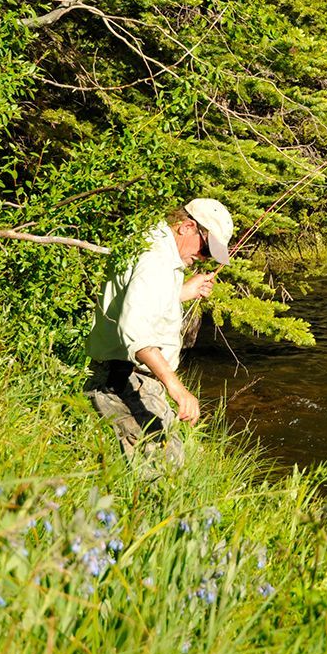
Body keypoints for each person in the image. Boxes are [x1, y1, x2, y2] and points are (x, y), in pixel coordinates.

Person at [83, 198, 234, 476]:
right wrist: (178, 389)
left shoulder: (154, 244)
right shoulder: (156, 259)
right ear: (187, 227)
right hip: (124, 379)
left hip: (129, 377)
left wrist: (183, 292)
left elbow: (139, 299)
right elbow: (137, 332)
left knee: (174, 465)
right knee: (168, 473)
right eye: (205, 249)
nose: (204, 258)